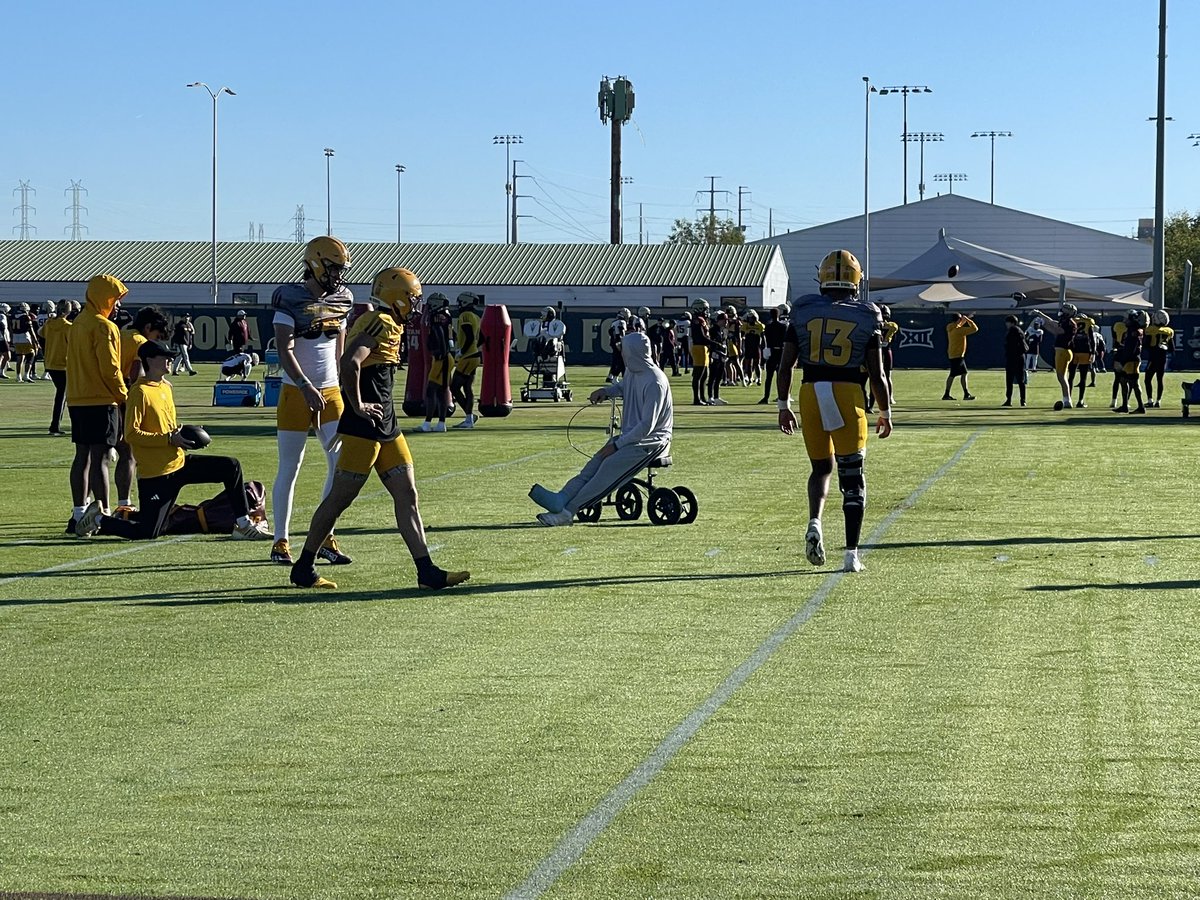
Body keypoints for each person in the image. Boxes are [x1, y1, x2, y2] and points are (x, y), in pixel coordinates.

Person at [289, 267, 469, 591]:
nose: (416, 306)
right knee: (339, 499)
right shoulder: (381, 322)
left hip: (386, 422)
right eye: (412, 300)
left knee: (408, 494)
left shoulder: (388, 322)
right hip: (365, 426)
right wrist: (356, 405)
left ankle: (426, 570)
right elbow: (350, 362)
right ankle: (303, 566)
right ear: (396, 298)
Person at [75, 340, 271, 541]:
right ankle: (98, 519)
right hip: (157, 474)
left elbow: (164, 425)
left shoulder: (165, 387)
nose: (170, 360)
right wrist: (169, 439)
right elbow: (131, 434)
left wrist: (183, 433)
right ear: (150, 360)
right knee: (148, 532)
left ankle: (243, 524)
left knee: (231, 466)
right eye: (165, 356)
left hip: (178, 463)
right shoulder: (139, 392)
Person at [776, 249, 892, 574]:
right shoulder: (868, 313)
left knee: (820, 468)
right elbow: (878, 374)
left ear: (822, 277)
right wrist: (885, 411)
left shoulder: (802, 309)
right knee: (853, 479)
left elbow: (785, 365)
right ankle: (851, 554)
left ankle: (815, 521)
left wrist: (783, 405)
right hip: (846, 392)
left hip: (810, 391)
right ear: (857, 280)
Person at [269, 235, 355, 567]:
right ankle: (280, 540)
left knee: (340, 466)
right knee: (290, 467)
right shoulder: (289, 298)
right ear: (316, 263)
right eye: (333, 268)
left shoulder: (343, 298)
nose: (337, 275)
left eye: (340, 269)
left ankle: (324, 537)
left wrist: (346, 388)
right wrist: (305, 386)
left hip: (331, 391)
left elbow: (340, 349)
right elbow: (283, 349)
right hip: (295, 391)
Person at [529, 330, 672, 526]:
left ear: (633, 352)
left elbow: (647, 426)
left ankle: (567, 512)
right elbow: (623, 388)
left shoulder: (655, 382)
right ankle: (561, 498)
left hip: (652, 442)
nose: (621, 353)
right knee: (593, 465)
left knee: (607, 469)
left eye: (624, 350)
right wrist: (606, 391)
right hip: (631, 439)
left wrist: (617, 445)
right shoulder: (632, 371)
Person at [65, 275, 129, 532]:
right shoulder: (104, 327)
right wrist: (124, 394)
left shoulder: (77, 323)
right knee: (101, 457)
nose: (118, 306)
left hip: (77, 397)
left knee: (82, 456)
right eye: (116, 299)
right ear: (106, 298)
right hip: (102, 399)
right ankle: (101, 516)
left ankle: (80, 512)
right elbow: (110, 368)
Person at [115, 306, 170, 510]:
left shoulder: (121, 335)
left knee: (96, 457)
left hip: (104, 397)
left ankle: (89, 505)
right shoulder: (141, 343)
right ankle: (124, 504)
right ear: (148, 327)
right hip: (123, 399)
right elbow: (134, 375)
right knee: (129, 453)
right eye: (156, 334)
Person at [1031, 304, 1079, 410]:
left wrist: (1041, 317)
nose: (1062, 311)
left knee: (1061, 377)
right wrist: (1043, 320)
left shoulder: (1069, 323)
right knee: (1063, 377)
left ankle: (1067, 400)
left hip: (1063, 351)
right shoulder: (1066, 322)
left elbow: (1057, 329)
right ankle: (1067, 399)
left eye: (1065, 309)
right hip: (1063, 351)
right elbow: (1053, 327)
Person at [417, 293, 453, 433]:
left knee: (431, 390)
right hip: (445, 356)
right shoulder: (446, 315)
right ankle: (440, 423)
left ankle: (428, 423)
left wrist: (440, 353)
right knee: (441, 391)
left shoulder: (438, 317)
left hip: (441, 357)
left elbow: (438, 333)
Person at [450, 291, 483, 429]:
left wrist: (462, 351)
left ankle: (469, 416)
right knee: (467, 387)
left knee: (454, 387)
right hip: (475, 355)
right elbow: (482, 338)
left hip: (467, 357)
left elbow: (469, 336)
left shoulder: (465, 315)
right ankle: (469, 417)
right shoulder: (476, 316)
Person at [41, 299, 73, 435]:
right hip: (63, 365)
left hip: (50, 362)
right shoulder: (68, 327)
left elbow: (40, 333)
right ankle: (55, 426)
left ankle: (55, 425)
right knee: (62, 395)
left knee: (61, 394)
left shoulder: (49, 323)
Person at [1113, 309, 1147, 414]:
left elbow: (1132, 347)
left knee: (1134, 383)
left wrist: (1125, 358)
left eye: (1127, 318)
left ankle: (1141, 406)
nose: (1124, 320)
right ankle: (1124, 405)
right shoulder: (1132, 329)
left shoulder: (1134, 330)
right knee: (1123, 381)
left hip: (1131, 359)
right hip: (1128, 359)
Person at [942, 312, 978, 401]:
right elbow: (975, 329)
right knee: (954, 375)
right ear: (958, 320)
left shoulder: (951, 327)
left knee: (960, 373)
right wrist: (968, 320)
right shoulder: (959, 331)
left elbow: (958, 325)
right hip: (957, 355)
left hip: (953, 354)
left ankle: (965, 394)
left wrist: (964, 319)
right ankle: (948, 394)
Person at [1144, 309, 1174, 408]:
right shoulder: (1169, 331)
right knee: (1159, 379)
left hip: (1153, 357)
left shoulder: (1150, 330)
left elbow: (1146, 345)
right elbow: (1172, 348)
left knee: (1147, 379)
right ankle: (1158, 401)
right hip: (1163, 357)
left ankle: (1150, 400)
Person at [759, 305, 788, 404]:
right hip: (781, 352)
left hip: (771, 351)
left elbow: (766, 340)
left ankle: (766, 397)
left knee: (769, 377)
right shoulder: (783, 326)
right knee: (780, 376)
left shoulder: (768, 326)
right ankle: (781, 396)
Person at [1002, 315, 1028, 407]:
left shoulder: (1013, 331)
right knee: (1021, 380)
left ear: (1011, 322)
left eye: (1007, 322)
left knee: (1010, 380)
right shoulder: (1020, 331)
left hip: (1013, 357)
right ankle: (1023, 400)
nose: (1006, 324)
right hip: (1020, 357)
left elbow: (1010, 345)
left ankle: (1009, 400)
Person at [689, 299, 712, 405]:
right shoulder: (697, 320)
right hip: (699, 347)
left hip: (704, 348)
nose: (707, 311)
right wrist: (715, 344)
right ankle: (696, 399)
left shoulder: (703, 319)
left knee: (704, 375)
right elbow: (700, 337)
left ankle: (702, 397)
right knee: (698, 375)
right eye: (705, 308)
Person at [10, 302, 40, 382]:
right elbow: (31, 330)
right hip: (24, 337)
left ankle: (18, 376)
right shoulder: (26, 317)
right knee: (31, 355)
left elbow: (11, 329)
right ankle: (26, 375)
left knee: (20, 357)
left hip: (16, 338)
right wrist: (36, 341)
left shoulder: (13, 316)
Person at [606, 308, 629, 383]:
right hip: (618, 342)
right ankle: (615, 377)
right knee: (621, 361)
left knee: (616, 360)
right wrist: (622, 342)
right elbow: (621, 333)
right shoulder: (622, 322)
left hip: (614, 342)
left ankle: (612, 376)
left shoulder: (614, 322)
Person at [742, 310, 764, 386]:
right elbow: (741, 335)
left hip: (756, 347)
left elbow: (762, 337)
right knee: (748, 364)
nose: (750, 320)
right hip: (748, 347)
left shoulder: (760, 325)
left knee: (757, 364)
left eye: (752, 318)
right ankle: (750, 378)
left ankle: (759, 378)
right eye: (749, 318)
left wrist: (765, 347)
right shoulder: (745, 325)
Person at [0, 302, 11, 378]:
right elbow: (2, 325)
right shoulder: (2, 316)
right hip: (2, 338)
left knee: (0, 356)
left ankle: (0, 372)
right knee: (7, 356)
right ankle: (1, 371)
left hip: (2, 337)